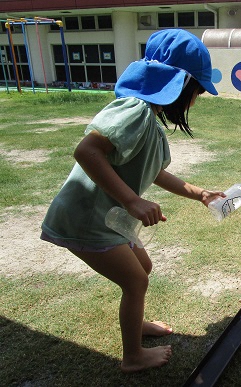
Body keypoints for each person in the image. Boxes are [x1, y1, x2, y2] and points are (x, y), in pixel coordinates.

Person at [41, 29, 225, 372]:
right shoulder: (135, 111)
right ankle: (133, 356)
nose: (196, 100)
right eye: (197, 91)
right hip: (85, 217)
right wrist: (131, 201)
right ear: (180, 85)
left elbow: (155, 172)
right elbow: (87, 151)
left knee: (143, 268)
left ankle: (135, 322)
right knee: (135, 280)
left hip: (107, 218)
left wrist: (200, 193)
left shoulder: (149, 122)